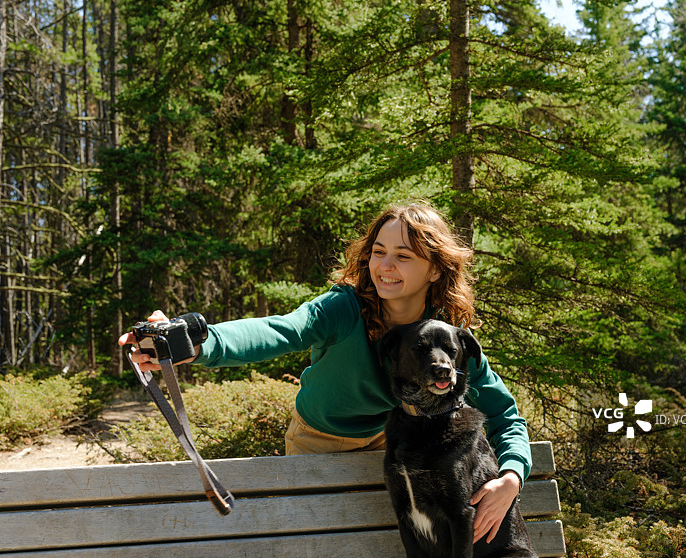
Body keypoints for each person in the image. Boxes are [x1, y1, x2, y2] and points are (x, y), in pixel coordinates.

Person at [119, 201, 532, 545]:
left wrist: (512, 476)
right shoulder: (342, 308)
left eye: (403, 256)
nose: (385, 266)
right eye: (379, 251)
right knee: (320, 543)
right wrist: (198, 342)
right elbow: (278, 330)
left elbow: (504, 414)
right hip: (314, 441)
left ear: (436, 270)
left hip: (389, 447)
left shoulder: (445, 343)